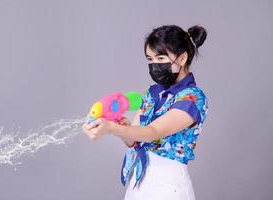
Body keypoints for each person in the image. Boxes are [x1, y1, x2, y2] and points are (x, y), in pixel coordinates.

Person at [82, 24, 209, 200]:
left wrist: (111, 128)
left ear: (182, 58)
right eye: (149, 59)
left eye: (161, 58)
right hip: (140, 183)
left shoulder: (193, 98)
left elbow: (152, 132)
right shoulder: (153, 92)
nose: (154, 65)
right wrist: (119, 124)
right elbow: (133, 139)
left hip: (169, 187)